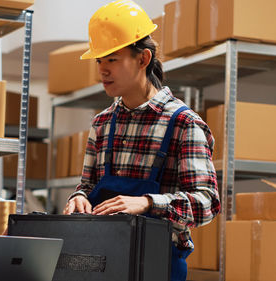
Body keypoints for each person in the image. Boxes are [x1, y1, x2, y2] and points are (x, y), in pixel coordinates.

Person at [63, 1, 220, 281]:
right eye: (100, 61)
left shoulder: (184, 124)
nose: (103, 70)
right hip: (100, 261)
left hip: (159, 265)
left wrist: (148, 202)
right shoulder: (102, 123)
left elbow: (207, 203)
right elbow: (86, 185)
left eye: (112, 59)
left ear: (143, 59)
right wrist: (78, 198)